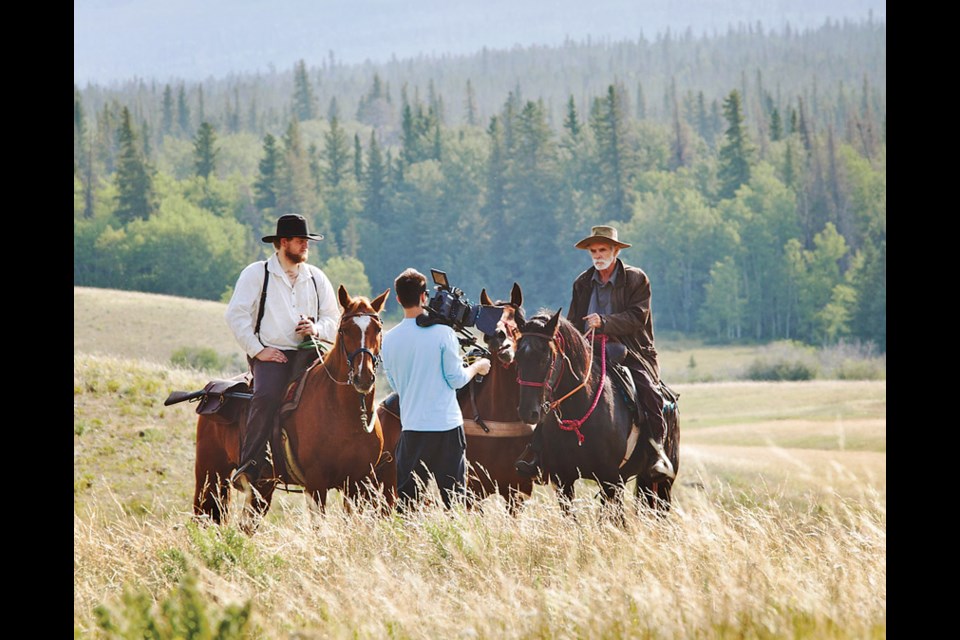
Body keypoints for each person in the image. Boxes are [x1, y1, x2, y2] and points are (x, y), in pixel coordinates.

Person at [514, 225, 675, 481]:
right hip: (588, 351)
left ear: (615, 251)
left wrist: (605, 321)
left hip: (631, 350)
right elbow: (575, 322)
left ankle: (656, 452)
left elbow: (637, 317)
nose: (597, 255)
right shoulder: (582, 282)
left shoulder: (636, 279)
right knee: (553, 388)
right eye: (593, 251)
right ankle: (537, 452)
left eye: (602, 250)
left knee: (649, 392)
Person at [226, 214, 340, 489]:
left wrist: (315, 328)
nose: (305, 246)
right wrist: (259, 351)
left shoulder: (316, 277)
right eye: (301, 241)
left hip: (310, 352)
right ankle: (250, 463)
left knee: (337, 390)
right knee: (265, 396)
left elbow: (333, 320)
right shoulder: (257, 273)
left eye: (307, 241)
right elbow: (236, 315)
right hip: (271, 355)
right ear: (283, 242)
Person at [380, 268, 491, 510]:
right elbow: (457, 379)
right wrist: (478, 367)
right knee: (455, 502)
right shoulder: (444, 334)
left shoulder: (388, 339)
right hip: (446, 429)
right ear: (424, 297)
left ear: (398, 299)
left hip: (411, 429)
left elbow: (396, 383)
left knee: (407, 505)